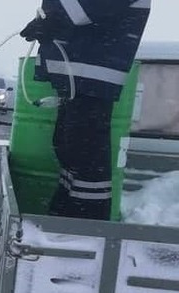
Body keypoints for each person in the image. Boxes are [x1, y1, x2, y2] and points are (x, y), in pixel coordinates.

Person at [19, 0, 151, 220]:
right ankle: (65, 218)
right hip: (80, 78)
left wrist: (50, 20)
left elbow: (79, 9)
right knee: (69, 150)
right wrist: (48, 22)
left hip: (91, 78)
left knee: (86, 160)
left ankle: (86, 227)